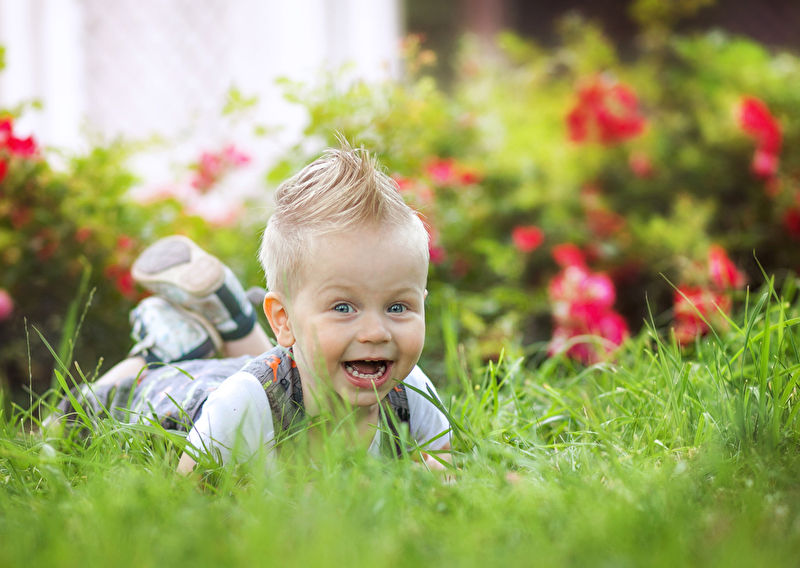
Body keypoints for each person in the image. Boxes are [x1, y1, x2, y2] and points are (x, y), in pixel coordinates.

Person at [51, 142, 452, 475]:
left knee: (279, 377)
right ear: (283, 320)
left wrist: (427, 477)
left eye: (397, 306)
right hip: (177, 398)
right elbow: (185, 500)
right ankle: (156, 355)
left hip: (271, 374)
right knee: (74, 416)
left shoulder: (410, 394)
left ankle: (227, 328)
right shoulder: (239, 408)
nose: (376, 332)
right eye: (344, 307)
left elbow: (444, 471)